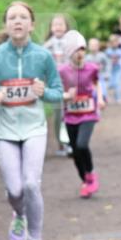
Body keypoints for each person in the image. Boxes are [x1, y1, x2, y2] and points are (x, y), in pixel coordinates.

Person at [0, 1, 64, 240]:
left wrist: (43, 92)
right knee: (14, 190)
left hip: (35, 127)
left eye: (23, 17)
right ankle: (19, 214)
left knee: (31, 184)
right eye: (12, 17)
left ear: (32, 25)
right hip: (5, 130)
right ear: (6, 24)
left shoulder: (43, 56)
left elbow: (58, 91)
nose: (17, 21)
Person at [59, 30, 106, 198]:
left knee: (82, 145)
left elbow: (97, 83)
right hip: (71, 114)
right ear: (69, 53)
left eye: (82, 49)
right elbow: (56, 91)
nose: (80, 53)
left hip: (88, 113)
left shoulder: (92, 68)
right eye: (76, 50)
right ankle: (85, 180)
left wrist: (100, 98)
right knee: (75, 151)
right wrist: (66, 96)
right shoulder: (62, 71)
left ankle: (91, 174)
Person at [44, 14, 72, 156]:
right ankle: (62, 144)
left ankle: (71, 142)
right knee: (58, 115)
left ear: (66, 27)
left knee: (71, 113)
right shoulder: (46, 47)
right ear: (51, 28)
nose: (58, 27)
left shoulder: (73, 45)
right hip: (54, 85)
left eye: (61, 24)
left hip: (70, 83)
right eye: (55, 24)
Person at [85, 36, 110, 106]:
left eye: (95, 45)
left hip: (101, 77)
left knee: (103, 90)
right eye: (91, 45)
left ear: (98, 46)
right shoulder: (87, 58)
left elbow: (108, 64)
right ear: (88, 46)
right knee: (94, 93)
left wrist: (107, 74)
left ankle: (104, 98)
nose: (93, 47)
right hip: (91, 79)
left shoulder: (102, 56)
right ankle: (96, 104)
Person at [105, 33, 121, 104]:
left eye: (115, 42)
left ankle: (118, 97)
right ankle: (106, 97)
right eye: (112, 42)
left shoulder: (120, 51)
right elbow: (105, 60)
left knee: (117, 84)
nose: (114, 43)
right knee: (109, 84)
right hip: (110, 70)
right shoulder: (108, 51)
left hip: (118, 70)